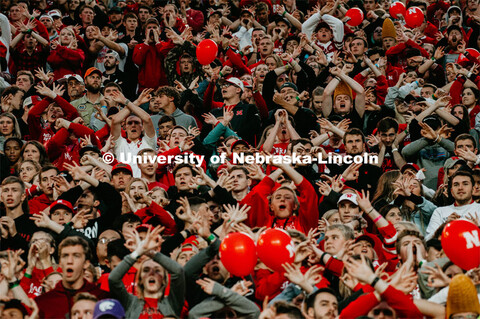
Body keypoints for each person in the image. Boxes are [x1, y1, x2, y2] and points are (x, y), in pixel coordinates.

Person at [35, 236, 109, 318]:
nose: (69, 261)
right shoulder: (42, 302)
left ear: (86, 264)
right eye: (65, 256)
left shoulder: (102, 298)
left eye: (76, 256)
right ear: (60, 263)